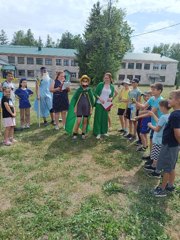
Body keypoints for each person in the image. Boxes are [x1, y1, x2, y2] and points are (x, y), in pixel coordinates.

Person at [153, 90, 180, 197]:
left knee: (166, 169)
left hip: (170, 145)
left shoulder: (175, 115)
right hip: (173, 145)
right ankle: (170, 185)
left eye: (170, 98)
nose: (168, 100)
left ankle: (162, 189)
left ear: (178, 100)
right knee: (171, 166)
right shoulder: (176, 114)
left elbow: (177, 134)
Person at [135, 83, 164, 161]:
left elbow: (150, 112)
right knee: (151, 140)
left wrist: (138, 116)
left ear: (159, 91)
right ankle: (151, 156)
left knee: (156, 143)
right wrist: (137, 103)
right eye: (152, 89)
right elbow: (144, 106)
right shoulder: (152, 98)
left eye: (154, 90)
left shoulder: (160, 100)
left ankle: (154, 159)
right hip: (153, 123)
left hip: (159, 124)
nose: (152, 91)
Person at [144, 100, 170, 178]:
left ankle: (156, 170)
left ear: (162, 107)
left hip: (158, 140)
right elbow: (159, 122)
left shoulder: (163, 117)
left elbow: (157, 129)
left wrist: (150, 125)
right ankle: (154, 166)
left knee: (156, 155)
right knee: (158, 154)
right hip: (162, 140)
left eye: (159, 107)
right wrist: (153, 114)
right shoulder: (168, 116)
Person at [65, 75, 95, 139]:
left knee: (85, 121)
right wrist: (75, 108)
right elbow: (75, 100)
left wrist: (91, 109)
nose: (85, 82)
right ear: (81, 82)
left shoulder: (89, 90)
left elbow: (91, 100)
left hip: (87, 108)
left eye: (86, 81)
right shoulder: (79, 90)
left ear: (88, 82)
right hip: (79, 108)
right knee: (78, 121)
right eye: (83, 81)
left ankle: (83, 133)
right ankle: (75, 133)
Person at [93, 72, 115, 139]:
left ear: (110, 78)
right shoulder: (100, 84)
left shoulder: (112, 86)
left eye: (107, 78)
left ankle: (104, 132)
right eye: (105, 78)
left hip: (106, 104)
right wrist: (100, 98)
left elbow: (112, 96)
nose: (106, 79)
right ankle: (98, 132)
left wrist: (111, 98)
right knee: (98, 118)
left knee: (105, 118)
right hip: (99, 104)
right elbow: (95, 93)